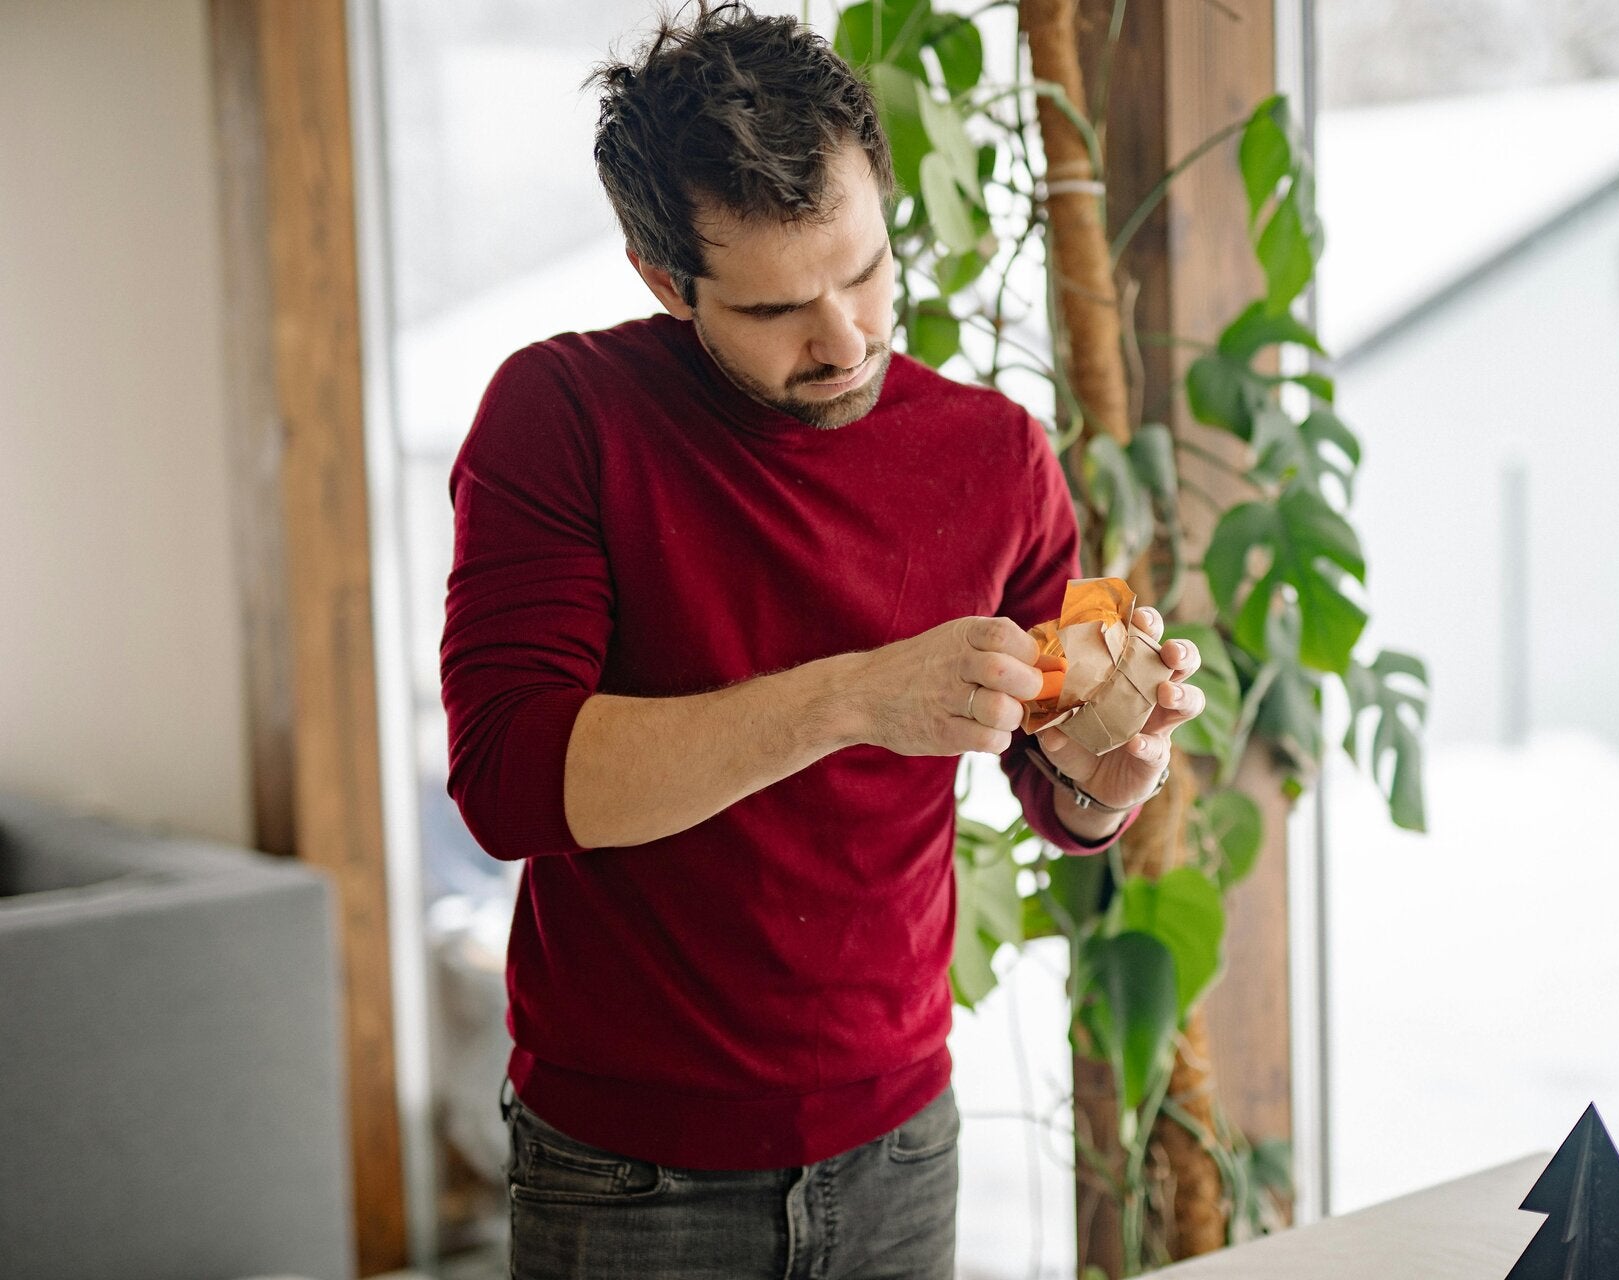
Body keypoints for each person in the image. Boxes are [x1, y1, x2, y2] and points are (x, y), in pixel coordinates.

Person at [438, 4, 1205, 1276]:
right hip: (627, 1170)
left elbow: (1050, 773)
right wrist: (852, 696)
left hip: (902, 1144)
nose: (844, 339)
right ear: (663, 279)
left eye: (865, 271)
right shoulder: (562, 415)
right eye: (780, 306)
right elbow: (512, 777)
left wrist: (1104, 779)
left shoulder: (995, 454)